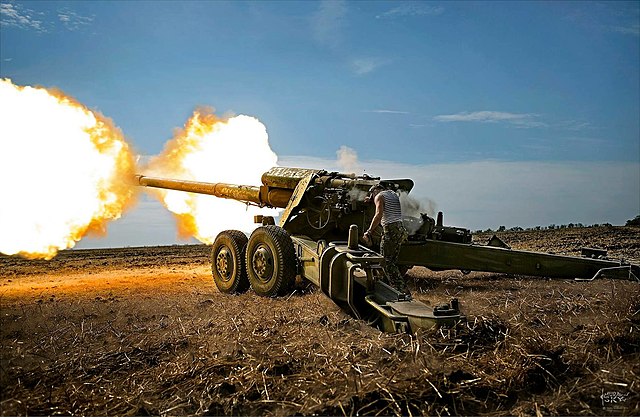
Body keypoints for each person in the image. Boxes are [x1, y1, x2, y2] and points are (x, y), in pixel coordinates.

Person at [362, 183, 410, 294]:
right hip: (400, 229)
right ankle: (388, 287)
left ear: (375, 191)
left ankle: (401, 290)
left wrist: (369, 231)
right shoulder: (392, 194)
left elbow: (378, 214)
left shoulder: (379, 196)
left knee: (386, 262)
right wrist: (370, 200)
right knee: (392, 261)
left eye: (372, 194)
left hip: (390, 229)